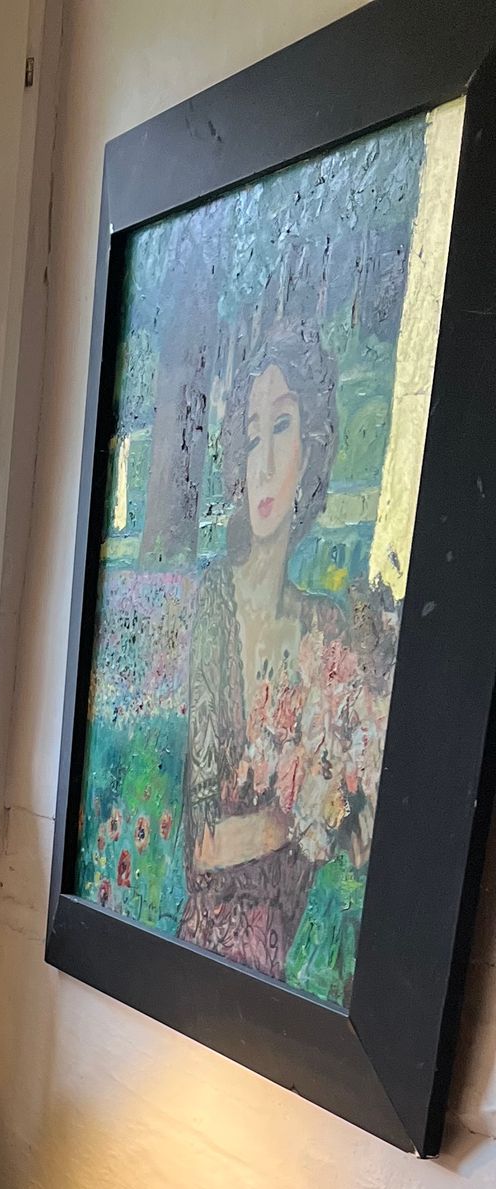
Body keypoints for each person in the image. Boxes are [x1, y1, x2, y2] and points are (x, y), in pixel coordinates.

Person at [180, 314, 382, 990]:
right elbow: (203, 843)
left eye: (283, 428)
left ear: (314, 448)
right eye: (251, 438)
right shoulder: (216, 600)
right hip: (203, 970)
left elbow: (354, 832)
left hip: (288, 992)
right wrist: (303, 816)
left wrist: (355, 810)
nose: (263, 462)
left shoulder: (326, 632)